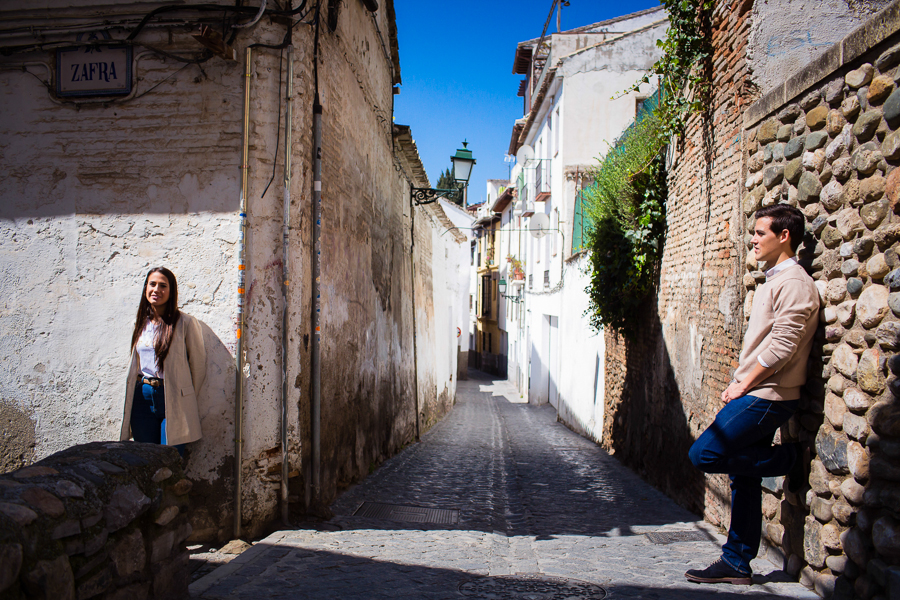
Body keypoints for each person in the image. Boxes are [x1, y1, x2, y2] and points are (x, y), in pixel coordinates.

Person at [685, 204, 819, 585]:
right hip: (759, 390)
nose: (754, 239)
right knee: (742, 478)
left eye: (761, 233)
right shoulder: (774, 278)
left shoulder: (793, 282)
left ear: (785, 236)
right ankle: (737, 562)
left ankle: (787, 460)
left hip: (768, 395)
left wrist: (744, 383)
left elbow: (782, 346)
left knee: (705, 453)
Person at [120, 267, 206, 456]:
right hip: (142, 397)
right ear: (146, 289)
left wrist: (186, 396)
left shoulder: (186, 323)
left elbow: (198, 367)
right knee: (145, 458)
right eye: (152, 284)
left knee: (170, 458)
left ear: (171, 291)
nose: (156, 289)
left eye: (163, 285)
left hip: (173, 397)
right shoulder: (140, 324)